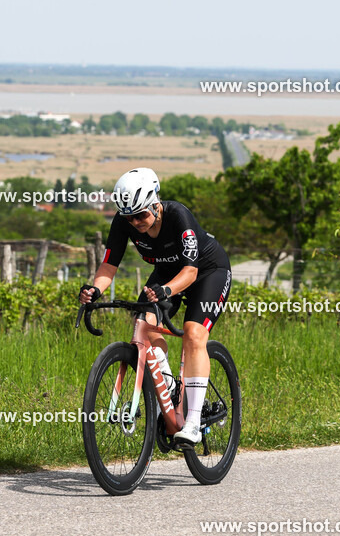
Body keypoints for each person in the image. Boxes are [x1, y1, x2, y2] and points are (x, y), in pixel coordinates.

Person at [79, 167, 231, 444]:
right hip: (165, 273)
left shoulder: (178, 215)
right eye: (129, 217)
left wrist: (166, 290)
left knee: (194, 333)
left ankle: (194, 422)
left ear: (155, 204)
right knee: (145, 326)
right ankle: (170, 386)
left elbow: (190, 273)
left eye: (141, 215)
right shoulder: (124, 221)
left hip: (206, 271)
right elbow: (109, 265)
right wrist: (95, 289)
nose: (135, 222)